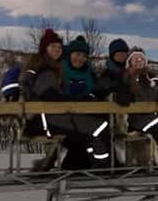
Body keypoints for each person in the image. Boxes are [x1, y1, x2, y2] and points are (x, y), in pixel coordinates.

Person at [20, 30, 109, 171]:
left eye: (59, 47)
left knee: (87, 134)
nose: (57, 50)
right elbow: (49, 95)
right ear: (45, 48)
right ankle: (102, 166)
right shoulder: (43, 67)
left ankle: (85, 166)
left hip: (54, 116)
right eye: (53, 46)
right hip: (43, 119)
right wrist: (77, 100)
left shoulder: (55, 68)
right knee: (96, 129)